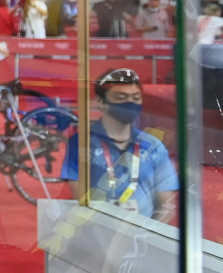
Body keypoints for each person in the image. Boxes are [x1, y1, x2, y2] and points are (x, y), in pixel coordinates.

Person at [60, 68, 179, 224]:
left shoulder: (153, 146)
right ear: (101, 102)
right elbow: (81, 199)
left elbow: (166, 203)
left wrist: (146, 237)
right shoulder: (82, 143)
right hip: (97, 233)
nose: (130, 103)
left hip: (143, 239)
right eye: (121, 97)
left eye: (136, 98)